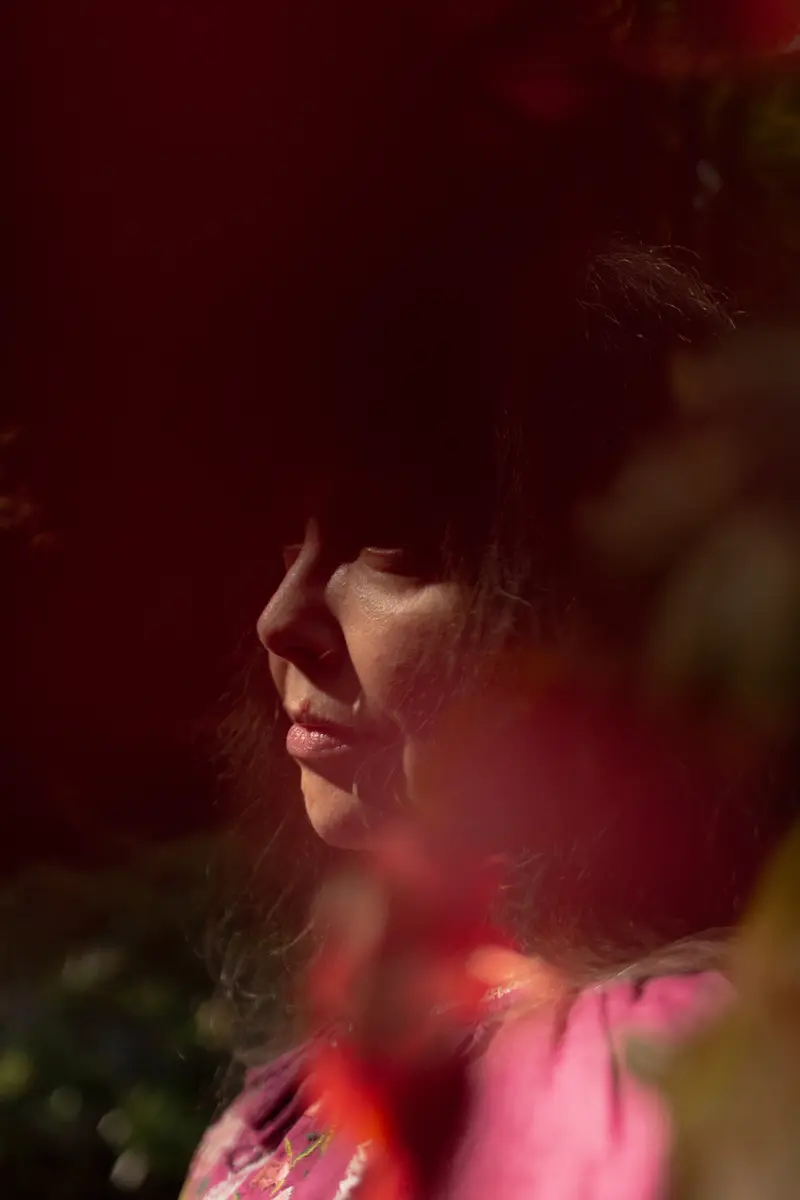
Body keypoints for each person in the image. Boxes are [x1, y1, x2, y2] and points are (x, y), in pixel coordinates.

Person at [178, 228, 797, 1200]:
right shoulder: (289, 1106)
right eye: (281, 543)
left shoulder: (666, 1078)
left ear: (593, 617)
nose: (280, 619)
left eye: (387, 545)